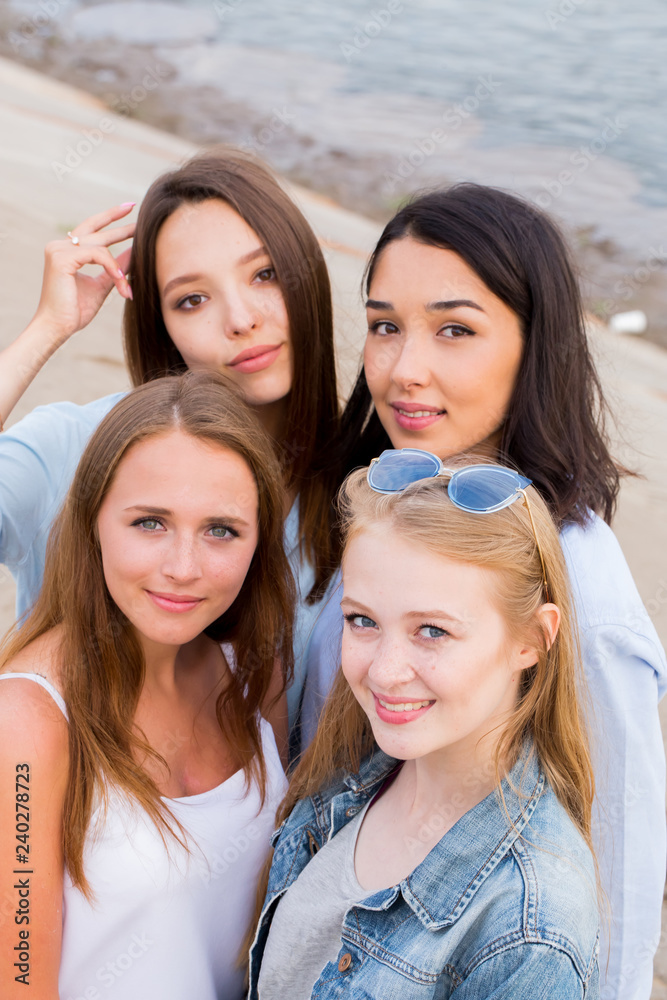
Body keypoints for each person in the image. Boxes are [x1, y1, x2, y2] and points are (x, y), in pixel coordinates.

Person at [299, 184, 666, 999]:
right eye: (385, 325)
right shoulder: (382, 507)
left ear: (535, 347)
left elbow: (621, 885)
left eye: (454, 329)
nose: (402, 369)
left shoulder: (582, 592)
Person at [0, 147, 340, 737]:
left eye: (265, 274)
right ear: (163, 328)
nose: (240, 318)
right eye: (192, 299)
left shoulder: (358, 485)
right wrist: (46, 330)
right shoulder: (77, 445)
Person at [249, 454, 600, 998]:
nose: (385, 672)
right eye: (362, 620)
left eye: (432, 631)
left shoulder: (531, 932)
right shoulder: (349, 775)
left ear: (531, 638)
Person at [0, 371, 295, 999]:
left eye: (221, 529)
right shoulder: (25, 725)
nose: (182, 569)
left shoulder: (253, 668)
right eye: (150, 523)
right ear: (92, 521)